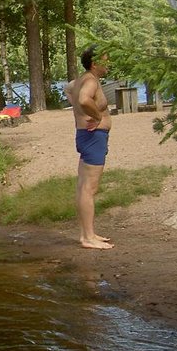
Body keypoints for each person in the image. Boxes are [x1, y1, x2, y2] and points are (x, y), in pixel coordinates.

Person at [64, 45, 113, 249]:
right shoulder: (91, 80)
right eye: (105, 59)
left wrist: (79, 111)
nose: (109, 63)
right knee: (89, 188)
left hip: (87, 136)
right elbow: (84, 99)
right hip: (93, 138)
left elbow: (68, 88)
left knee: (84, 186)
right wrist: (97, 116)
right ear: (94, 64)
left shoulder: (82, 79)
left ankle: (88, 233)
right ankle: (87, 238)